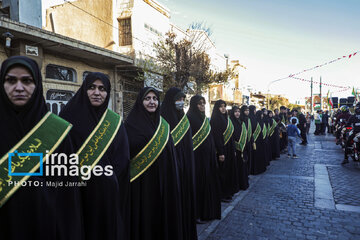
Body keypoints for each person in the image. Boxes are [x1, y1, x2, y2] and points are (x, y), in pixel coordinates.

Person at [0, 56, 83, 239]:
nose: (19, 88)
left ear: (37, 84)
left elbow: (68, 197)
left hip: (46, 226)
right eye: (11, 80)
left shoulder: (58, 131)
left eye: (27, 81)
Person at [60, 72, 130, 240]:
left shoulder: (113, 122)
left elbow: (122, 158)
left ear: (107, 93)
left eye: (102, 89)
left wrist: (108, 181)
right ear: (84, 89)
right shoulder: (66, 117)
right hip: (75, 193)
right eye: (91, 87)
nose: (97, 93)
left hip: (105, 195)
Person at [125, 87, 183, 240]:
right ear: (140, 101)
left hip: (164, 182)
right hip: (141, 186)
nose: (152, 102)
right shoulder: (130, 125)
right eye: (147, 98)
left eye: (155, 99)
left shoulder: (163, 124)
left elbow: (171, 153)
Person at [160, 88, 197, 240]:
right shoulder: (161, 118)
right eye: (178, 99)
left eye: (182, 99)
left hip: (185, 167)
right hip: (169, 169)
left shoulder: (184, 119)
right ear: (170, 100)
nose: (181, 102)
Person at [187, 95, 221, 222]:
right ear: (193, 105)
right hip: (196, 159)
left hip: (208, 158)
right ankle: (197, 214)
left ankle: (207, 211)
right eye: (199, 103)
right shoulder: (189, 118)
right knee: (198, 185)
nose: (202, 105)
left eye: (203, 103)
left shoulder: (205, 119)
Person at [210, 100, 238, 201]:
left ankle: (229, 192)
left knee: (229, 171)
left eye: (224, 106)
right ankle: (222, 194)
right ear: (217, 108)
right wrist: (221, 152)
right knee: (223, 173)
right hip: (221, 150)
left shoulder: (226, 118)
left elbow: (231, 137)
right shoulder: (215, 119)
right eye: (221, 106)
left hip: (229, 149)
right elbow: (217, 137)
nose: (223, 108)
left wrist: (233, 149)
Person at [230, 105, 249, 190]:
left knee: (243, 166)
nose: (237, 113)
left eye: (238, 111)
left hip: (242, 148)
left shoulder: (242, 122)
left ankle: (243, 183)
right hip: (235, 148)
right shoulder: (230, 122)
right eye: (235, 112)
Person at [250, 109, 267, 174]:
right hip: (255, 141)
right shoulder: (254, 121)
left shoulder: (260, 121)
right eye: (261, 114)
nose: (262, 115)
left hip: (260, 140)